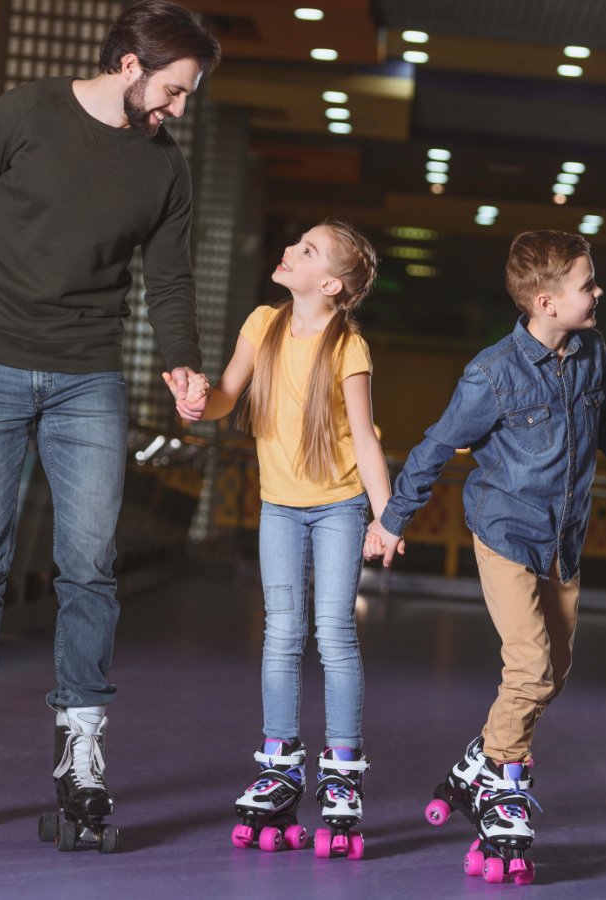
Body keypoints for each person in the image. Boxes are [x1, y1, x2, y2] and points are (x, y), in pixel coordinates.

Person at [0, 0, 220, 853]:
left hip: (88, 379)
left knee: (88, 564)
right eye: (175, 91)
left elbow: (170, 280)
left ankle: (81, 748)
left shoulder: (164, 170)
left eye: (189, 96)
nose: (178, 109)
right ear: (132, 64)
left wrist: (181, 358)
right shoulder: (27, 113)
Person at [364, 230, 606, 884]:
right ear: (546, 301)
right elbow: (434, 448)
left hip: (564, 538)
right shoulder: (492, 373)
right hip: (505, 531)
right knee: (531, 663)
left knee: (556, 669)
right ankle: (503, 784)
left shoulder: (592, 351)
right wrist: (391, 520)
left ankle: (472, 767)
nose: (600, 292)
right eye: (588, 284)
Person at [175, 220, 388, 859]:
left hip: (340, 506)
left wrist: (386, 517)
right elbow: (227, 397)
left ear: (329, 284)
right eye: (294, 241)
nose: (289, 250)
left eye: (307, 250)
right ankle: (278, 761)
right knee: (281, 632)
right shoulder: (262, 323)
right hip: (279, 506)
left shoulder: (349, 346)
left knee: (333, 632)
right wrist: (196, 400)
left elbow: (368, 436)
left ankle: (343, 773)